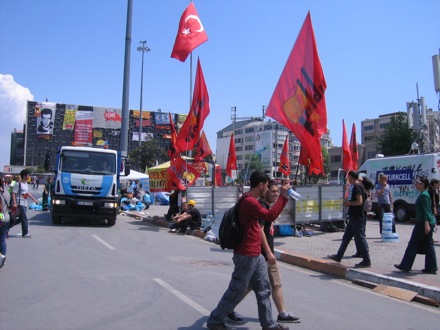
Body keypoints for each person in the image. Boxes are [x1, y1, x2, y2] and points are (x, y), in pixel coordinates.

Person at [207, 171, 292, 330]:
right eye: (267, 186)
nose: (268, 190)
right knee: (237, 289)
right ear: (260, 185)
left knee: (263, 289)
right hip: (246, 254)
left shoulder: (251, 200)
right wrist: (284, 196)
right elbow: (270, 215)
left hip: (255, 254)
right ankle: (215, 320)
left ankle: (269, 324)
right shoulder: (249, 202)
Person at [227, 180, 300, 325]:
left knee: (274, 283)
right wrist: (268, 252)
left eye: (277, 192)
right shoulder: (260, 207)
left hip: (264, 254)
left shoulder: (264, 206)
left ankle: (281, 313)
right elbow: (260, 230)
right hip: (259, 255)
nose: (275, 194)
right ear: (265, 190)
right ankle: (226, 311)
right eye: (272, 191)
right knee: (248, 286)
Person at [394, 177, 438, 274]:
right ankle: (431, 268)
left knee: (413, 243)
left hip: (423, 223)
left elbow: (426, 210)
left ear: (422, 184)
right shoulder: (424, 194)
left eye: (417, 182)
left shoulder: (424, 195)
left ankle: (405, 265)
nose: (415, 184)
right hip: (425, 222)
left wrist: (426, 223)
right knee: (428, 244)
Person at [328, 170, 371, 268]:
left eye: (348, 177)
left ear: (351, 177)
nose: (347, 179)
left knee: (360, 238)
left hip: (357, 217)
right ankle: (339, 256)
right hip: (353, 217)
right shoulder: (356, 186)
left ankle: (366, 260)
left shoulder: (357, 187)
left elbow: (359, 201)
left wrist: (348, 203)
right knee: (346, 237)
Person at [10, 169, 39, 238]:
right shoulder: (18, 184)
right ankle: (25, 233)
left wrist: (34, 200)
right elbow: (13, 193)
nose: (29, 176)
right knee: (25, 218)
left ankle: (7, 227)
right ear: (24, 176)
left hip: (25, 203)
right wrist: (14, 203)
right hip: (20, 203)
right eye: (28, 175)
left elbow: (27, 193)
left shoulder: (26, 184)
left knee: (21, 219)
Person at [352, 177, 374, 258]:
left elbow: (359, 202)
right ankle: (361, 250)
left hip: (360, 214)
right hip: (364, 213)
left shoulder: (362, 191)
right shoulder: (368, 191)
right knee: (361, 233)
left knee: (360, 234)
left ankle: (362, 250)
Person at [0, 190, 10, 268]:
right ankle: (2, 258)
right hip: (5, 217)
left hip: (0, 218)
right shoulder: (6, 193)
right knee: (2, 239)